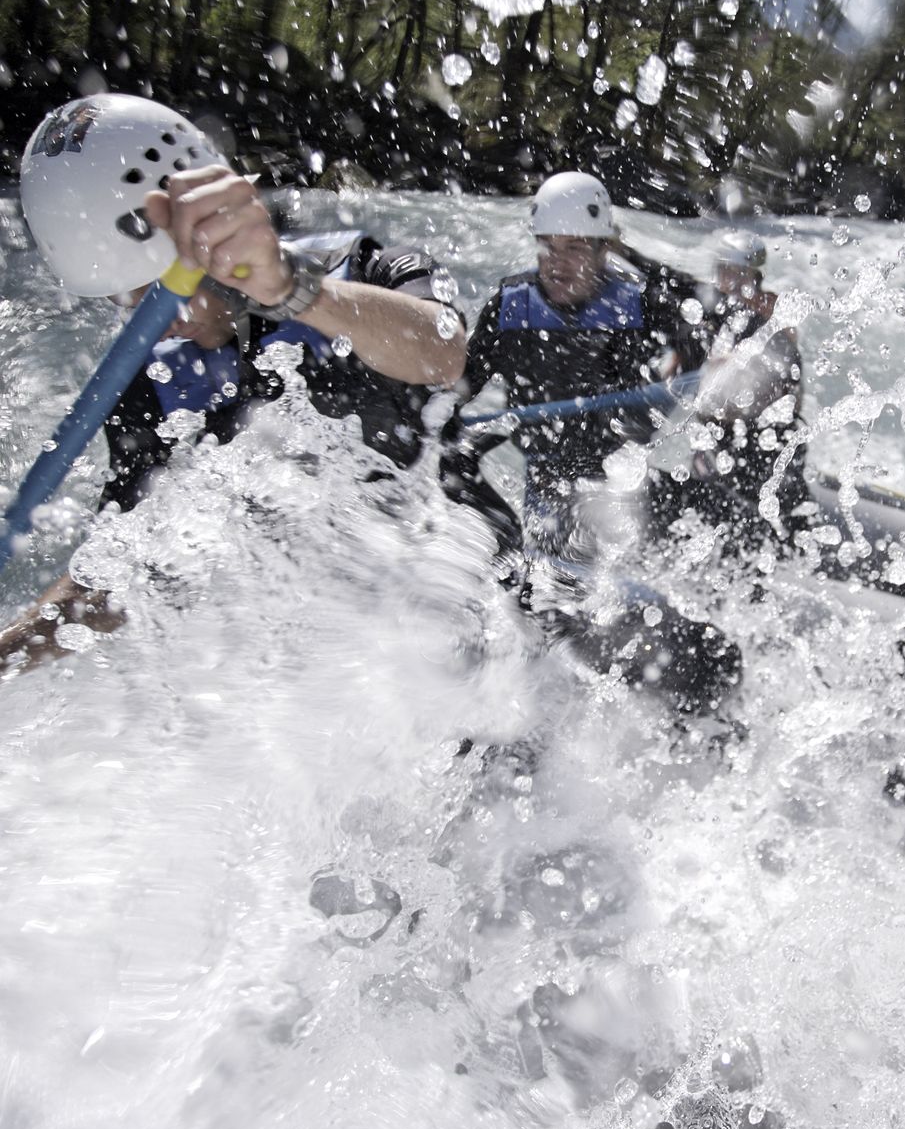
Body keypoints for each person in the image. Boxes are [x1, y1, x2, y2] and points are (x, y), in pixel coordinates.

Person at [0, 94, 468, 668]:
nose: (152, 319)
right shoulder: (150, 381)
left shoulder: (367, 266)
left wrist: (293, 290)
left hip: (461, 588)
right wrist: (8, 653)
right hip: (345, 647)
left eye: (154, 290)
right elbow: (113, 571)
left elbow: (442, 351)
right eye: (126, 300)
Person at [438, 172, 740, 715]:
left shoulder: (637, 302)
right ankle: (515, 696)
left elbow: (707, 316)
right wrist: (456, 433)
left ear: (604, 249)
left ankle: (683, 677)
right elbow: (460, 396)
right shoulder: (511, 305)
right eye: (549, 247)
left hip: (612, 484)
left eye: (577, 247)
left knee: (572, 600)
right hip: (545, 485)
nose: (559, 262)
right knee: (533, 593)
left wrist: (657, 405)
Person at [644, 229, 810, 554]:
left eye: (740, 275)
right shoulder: (703, 321)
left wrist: (736, 370)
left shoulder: (773, 319)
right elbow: (670, 383)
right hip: (716, 444)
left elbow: (788, 389)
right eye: (725, 272)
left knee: (770, 502)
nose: (731, 282)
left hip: (766, 443)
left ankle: (779, 540)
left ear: (755, 278)